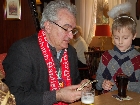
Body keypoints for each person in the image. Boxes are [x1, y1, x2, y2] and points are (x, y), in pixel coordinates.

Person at [2, 0, 91, 105]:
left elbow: (74, 83)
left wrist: (82, 86)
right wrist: (57, 96)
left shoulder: (71, 52)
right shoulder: (23, 50)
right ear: (48, 26)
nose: (71, 36)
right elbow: (15, 97)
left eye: (73, 30)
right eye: (66, 28)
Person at [96, 13, 140, 94]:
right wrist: (102, 83)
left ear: (134, 35)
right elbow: (97, 80)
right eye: (116, 37)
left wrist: (127, 85)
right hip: (108, 100)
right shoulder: (106, 56)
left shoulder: (137, 59)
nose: (120, 42)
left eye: (125, 38)